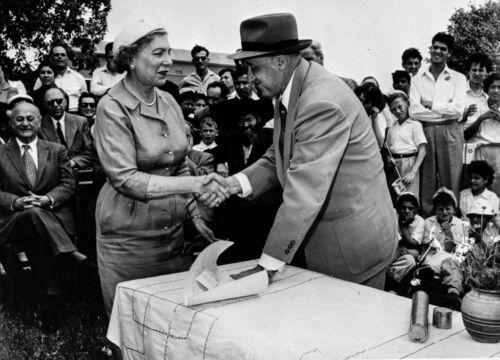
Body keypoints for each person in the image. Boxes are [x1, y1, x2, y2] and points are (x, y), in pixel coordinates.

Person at [211, 13, 397, 289]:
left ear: (279, 61)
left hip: (353, 250)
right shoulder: (289, 88)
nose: (249, 79)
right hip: (329, 241)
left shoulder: (320, 102)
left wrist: (268, 265)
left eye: (253, 68)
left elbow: (304, 190)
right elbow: (280, 155)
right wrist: (231, 184)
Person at [94, 20, 227, 315]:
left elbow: (178, 163)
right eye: (158, 53)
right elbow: (125, 179)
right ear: (130, 58)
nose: (168, 60)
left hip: (172, 235)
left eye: (169, 52)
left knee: (170, 322)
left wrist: (194, 215)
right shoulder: (111, 107)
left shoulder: (168, 100)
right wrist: (194, 185)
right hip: (129, 239)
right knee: (132, 322)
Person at [0, 101, 89, 296]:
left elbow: (68, 184)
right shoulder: (1, 154)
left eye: (30, 118)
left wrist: (47, 199)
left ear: (39, 122)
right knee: (32, 211)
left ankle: (51, 292)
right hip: (14, 220)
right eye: (19, 119)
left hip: (53, 213)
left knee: (36, 212)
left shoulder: (57, 150)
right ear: (11, 124)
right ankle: (69, 253)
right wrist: (15, 202)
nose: (25, 123)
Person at [409, 32, 467, 216]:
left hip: (451, 130)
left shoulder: (458, 78)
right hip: (426, 131)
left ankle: (453, 220)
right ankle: (428, 218)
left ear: (449, 53)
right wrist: (442, 111)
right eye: (435, 47)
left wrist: (432, 105)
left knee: (451, 176)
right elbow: (414, 111)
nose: (438, 51)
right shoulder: (418, 78)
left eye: (443, 49)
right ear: (431, 48)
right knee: (427, 176)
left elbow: (458, 110)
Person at [420, 187, 468, 296]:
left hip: (452, 257)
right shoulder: (428, 222)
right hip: (432, 258)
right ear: (435, 210)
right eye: (440, 209)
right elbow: (427, 247)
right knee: (446, 265)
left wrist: (448, 231)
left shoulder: (460, 224)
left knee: (450, 264)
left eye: (448, 209)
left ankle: (453, 293)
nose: (444, 212)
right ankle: (453, 292)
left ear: (454, 210)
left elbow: (452, 249)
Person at [39, 87, 94, 170]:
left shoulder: (80, 122)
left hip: (77, 171)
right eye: (50, 102)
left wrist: (73, 162)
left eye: (59, 101)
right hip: (51, 173)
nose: (55, 105)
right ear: (45, 104)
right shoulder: (38, 126)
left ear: (65, 101)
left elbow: (89, 151)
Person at [385, 91, 427, 197]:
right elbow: (388, 150)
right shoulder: (391, 129)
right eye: (394, 109)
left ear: (407, 104)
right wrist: (389, 159)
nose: (398, 111)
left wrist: (413, 172)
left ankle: (411, 214)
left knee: (410, 196)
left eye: (400, 107)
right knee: (396, 196)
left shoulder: (415, 125)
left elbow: (423, 150)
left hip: (410, 163)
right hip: (395, 166)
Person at [465, 73, 500, 196]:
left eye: (499, 87)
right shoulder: (478, 107)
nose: (496, 91)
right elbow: (466, 134)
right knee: (479, 187)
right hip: (480, 150)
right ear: (487, 89)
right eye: (493, 87)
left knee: (497, 187)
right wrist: (480, 119)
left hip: (498, 152)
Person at [34, 43, 87, 113]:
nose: (60, 57)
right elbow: (36, 97)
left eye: (63, 55)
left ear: (68, 58)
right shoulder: (44, 78)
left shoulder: (79, 78)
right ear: (51, 59)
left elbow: (85, 100)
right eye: (56, 55)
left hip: (74, 114)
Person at [388, 192, 425, 284]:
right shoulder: (391, 214)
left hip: (405, 250)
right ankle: (385, 270)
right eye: (403, 208)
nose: (407, 211)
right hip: (389, 248)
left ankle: (390, 277)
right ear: (397, 209)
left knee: (410, 260)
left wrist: (403, 226)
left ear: (416, 210)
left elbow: (413, 244)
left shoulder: (419, 221)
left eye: (411, 208)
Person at [461, 53, 492, 129]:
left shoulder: (490, 94)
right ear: (469, 71)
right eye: (474, 70)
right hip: (462, 138)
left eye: (481, 70)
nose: (477, 73)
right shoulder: (458, 91)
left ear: (487, 73)